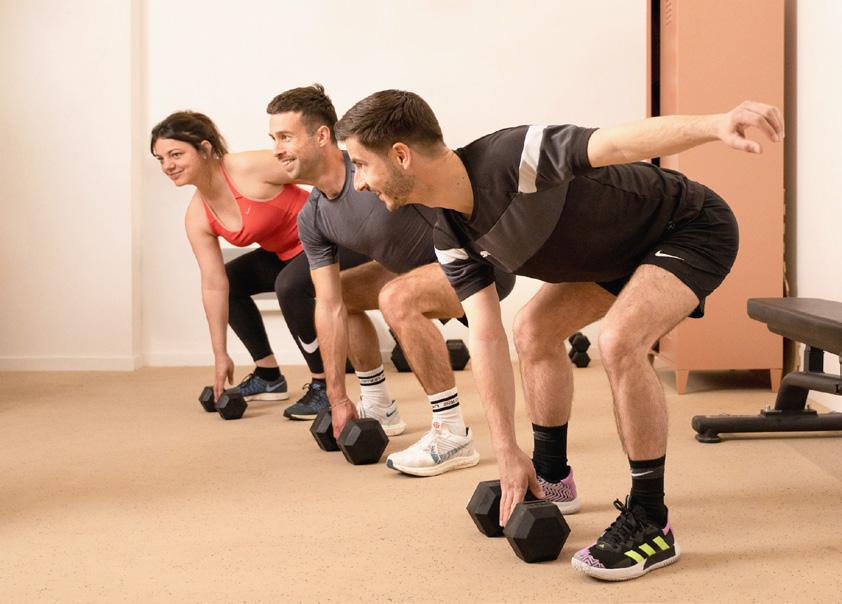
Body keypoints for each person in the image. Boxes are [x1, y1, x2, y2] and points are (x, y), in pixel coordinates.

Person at [335, 91, 783, 580]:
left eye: (361, 164)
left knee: (619, 340)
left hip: (689, 228)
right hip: (614, 258)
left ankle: (651, 521)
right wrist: (508, 452)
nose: (359, 182)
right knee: (531, 330)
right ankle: (550, 477)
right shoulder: (449, 233)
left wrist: (715, 122)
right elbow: (486, 339)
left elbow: (619, 142)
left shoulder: (512, 158)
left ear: (401, 155)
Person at [266, 85, 515, 476]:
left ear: (322, 135)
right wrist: (337, 397)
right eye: (273, 139)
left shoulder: (374, 164)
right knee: (341, 294)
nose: (276, 150)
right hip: (412, 271)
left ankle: (451, 433)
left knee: (395, 297)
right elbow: (330, 306)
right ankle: (379, 405)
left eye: (285, 137)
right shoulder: (313, 216)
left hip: (479, 263)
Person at [150, 111, 368, 413]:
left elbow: (326, 169)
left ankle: (322, 386)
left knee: (289, 285)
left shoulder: (247, 168)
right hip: (287, 254)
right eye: (160, 159)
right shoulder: (197, 215)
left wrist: (363, 211)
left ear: (205, 148)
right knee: (231, 280)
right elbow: (213, 285)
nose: (168, 166)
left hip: (335, 239)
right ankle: (268, 375)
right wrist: (220, 354)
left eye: (176, 154)